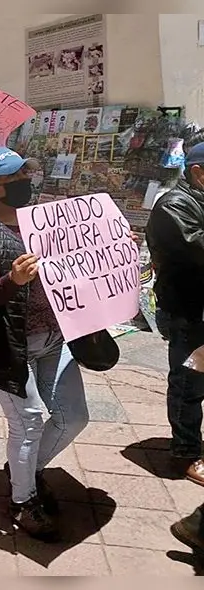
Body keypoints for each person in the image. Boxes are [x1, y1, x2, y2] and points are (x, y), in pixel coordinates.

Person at [0, 147, 89, 542]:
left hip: (54, 338)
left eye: (25, 175)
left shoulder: (43, 221)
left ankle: (24, 469)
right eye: (12, 179)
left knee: (73, 417)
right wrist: (13, 279)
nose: (23, 183)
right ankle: (23, 501)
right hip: (8, 346)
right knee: (28, 423)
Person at [146, 140, 204, 485]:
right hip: (188, 313)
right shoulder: (174, 204)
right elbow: (197, 246)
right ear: (197, 172)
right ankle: (185, 452)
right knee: (188, 384)